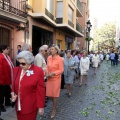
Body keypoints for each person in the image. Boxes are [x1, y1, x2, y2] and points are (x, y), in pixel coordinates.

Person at [11, 51, 45, 120]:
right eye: (19, 63)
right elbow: (13, 84)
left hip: (30, 106)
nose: (20, 65)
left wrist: (41, 106)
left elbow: (40, 91)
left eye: (23, 63)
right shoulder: (15, 70)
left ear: (29, 61)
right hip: (18, 106)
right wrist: (12, 93)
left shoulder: (38, 71)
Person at [45, 44, 64, 118]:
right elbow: (47, 67)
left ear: (56, 50)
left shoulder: (60, 59)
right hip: (49, 78)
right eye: (50, 49)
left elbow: (61, 70)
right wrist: (46, 72)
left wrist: (54, 73)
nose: (51, 50)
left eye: (52, 49)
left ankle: (54, 109)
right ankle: (54, 103)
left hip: (56, 79)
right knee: (49, 95)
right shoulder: (49, 57)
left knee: (55, 95)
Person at [0, 45, 14, 112]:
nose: (9, 50)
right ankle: (1, 106)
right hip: (3, 80)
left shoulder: (8, 57)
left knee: (8, 92)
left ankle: (7, 102)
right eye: (7, 49)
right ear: (3, 50)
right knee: (1, 94)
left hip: (9, 78)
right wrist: (2, 80)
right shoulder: (1, 57)